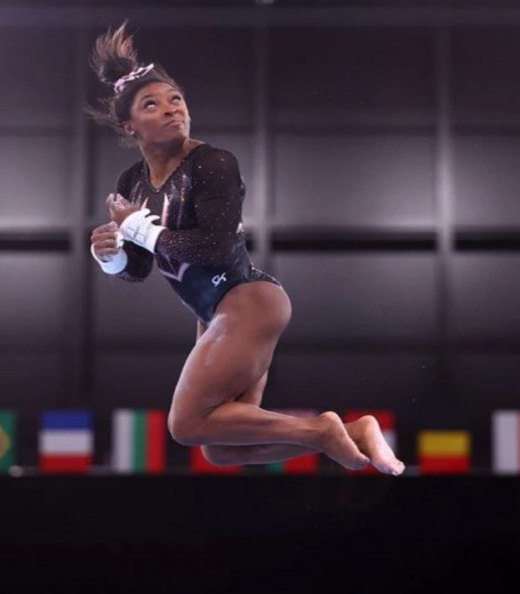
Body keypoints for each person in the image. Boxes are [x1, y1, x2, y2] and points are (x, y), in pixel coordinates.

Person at [87, 22, 404, 476]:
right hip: (215, 314)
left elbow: (212, 248)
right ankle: (354, 431)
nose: (172, 109)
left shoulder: (212, 163)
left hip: (248, 301)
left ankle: (323, 431)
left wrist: (138, 228)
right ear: (129, 125)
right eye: (152, 105)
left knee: (185, 423)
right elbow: (138, 269)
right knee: (223, 447)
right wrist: (111, 255)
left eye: (176, 99)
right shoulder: (131, 183)